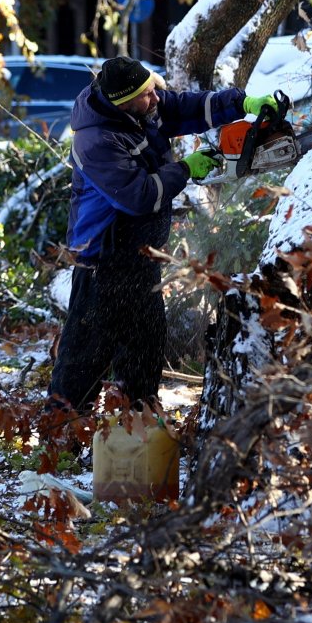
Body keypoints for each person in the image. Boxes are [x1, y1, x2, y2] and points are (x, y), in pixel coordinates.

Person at [43, 56, 272, 419]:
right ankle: (58, 439)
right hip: (103, 258)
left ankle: (138, 424)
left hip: (142, 254)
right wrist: (185, 168)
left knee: (146, 345)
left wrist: (241, 103)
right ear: (122, 103)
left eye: (152, 89)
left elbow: (184, 108)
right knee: (84, 356)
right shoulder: (96, 140)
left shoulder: (142, 105)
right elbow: (140, 197)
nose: (155, 99)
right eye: (145, 96)